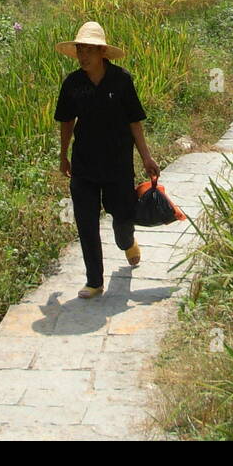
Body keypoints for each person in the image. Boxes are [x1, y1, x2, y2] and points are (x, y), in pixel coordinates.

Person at [53, 21, 160, 299]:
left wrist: (146, 157)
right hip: (84, 164)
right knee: (85, 221)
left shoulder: (121, 80)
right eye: (80, 50)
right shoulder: (73, 83)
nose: (83, 56)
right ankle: (94, 281)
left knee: (122, 217)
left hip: (117, 164)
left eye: (89, 50)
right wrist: (63, 155)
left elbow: (134, 120)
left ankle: (127, 242)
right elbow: (66, 121)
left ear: (102, 52)